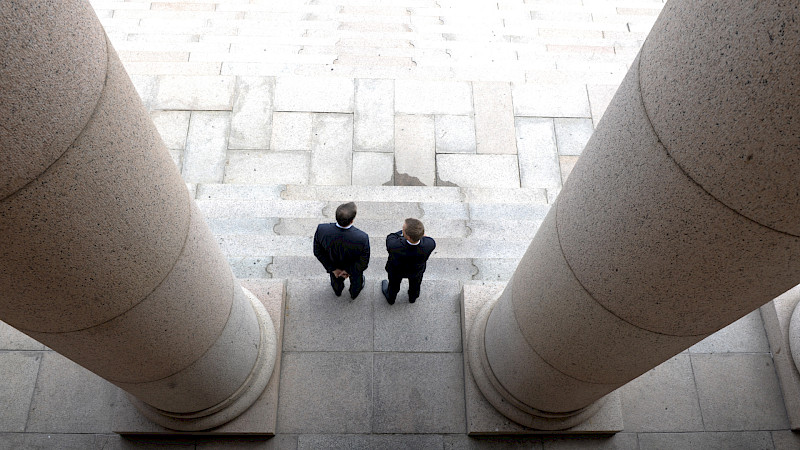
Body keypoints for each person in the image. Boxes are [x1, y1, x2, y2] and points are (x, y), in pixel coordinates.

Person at [313, 202, 370, 299]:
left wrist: (333, 269)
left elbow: (318, 252)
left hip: (334, 265)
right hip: (354, 268)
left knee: (336, 282)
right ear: (352, 221)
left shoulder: (321, 229)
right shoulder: (362, 237)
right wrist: (349, 271)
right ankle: (354, 294)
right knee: (356, 283)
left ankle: (338, 291)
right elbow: (364, 261)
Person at [382, 218, 436, 305]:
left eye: (403, 229)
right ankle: (412, 298)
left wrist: (402, 233)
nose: (402, 229)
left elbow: (391, 236)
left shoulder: (394, 245)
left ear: (408, 236)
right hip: (416, 271)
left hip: (396, 270)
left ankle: (391, 298)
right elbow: (426, 238)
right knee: (415, 284)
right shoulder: (430, 244)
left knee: (393, 284)